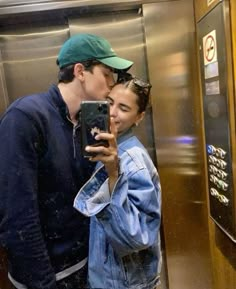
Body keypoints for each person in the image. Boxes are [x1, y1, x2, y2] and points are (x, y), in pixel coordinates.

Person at [0, 33, 133, 289]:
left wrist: (111, 167)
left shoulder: (87, 123)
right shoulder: (26, 118)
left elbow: (89, 201)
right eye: (106, 74)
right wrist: (44, 283)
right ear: (81, 71)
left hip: (86, 266)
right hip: (46, 276)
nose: (112, 84)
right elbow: (17, 217)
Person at [74, 74, 162, 289]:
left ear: (139, 117)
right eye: (110, 103)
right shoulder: (107, 148)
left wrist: (114, 173)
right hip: (107, 276)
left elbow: (135, 237)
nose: (112, 113)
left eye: (124, 108)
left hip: (124, 282)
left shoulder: (132, 160)